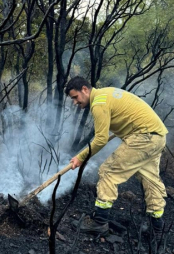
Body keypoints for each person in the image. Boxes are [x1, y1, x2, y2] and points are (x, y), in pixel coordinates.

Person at [65, 76, 168, 236]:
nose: (75, 102)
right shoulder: (106, 94)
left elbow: (100, 139)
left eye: (75, 97)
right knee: (150, 179)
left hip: (143, 137)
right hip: (157, 136)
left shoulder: (99, 103)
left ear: (84, 89)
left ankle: (99, 222)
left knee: (108, 172)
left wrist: (80, 157)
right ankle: (157, 227)